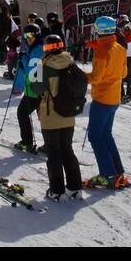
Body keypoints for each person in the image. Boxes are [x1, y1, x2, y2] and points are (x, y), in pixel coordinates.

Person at [84, 15, 129, 191]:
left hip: (102, 99)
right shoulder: (119, 47)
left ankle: (107, 175)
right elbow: (124, 73)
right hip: (114, 98)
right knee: (106, 135)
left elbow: (96, 78)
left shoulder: (102, 50)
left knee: (95, 136)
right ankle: (117, 172)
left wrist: (81, 76)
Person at [36, 33, 82, 201]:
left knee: (54, 154)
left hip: (51, 117)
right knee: (67, 151)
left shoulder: (45, 67)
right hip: (69, 115)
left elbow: (36, 90)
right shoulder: (71, 63)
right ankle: (75, 188)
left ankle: (57, 191)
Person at [12, 22, 45, 153]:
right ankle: (49, 145)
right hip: (35, 89)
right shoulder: (35, 47)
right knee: (43, 117)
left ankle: (27, 142)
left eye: (31, 35)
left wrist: (23, 58)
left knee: (22, 113)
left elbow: (31, 71)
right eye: (26, 35)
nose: (28, 37)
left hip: (35, 89)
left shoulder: (38, 50)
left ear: (37, 35)